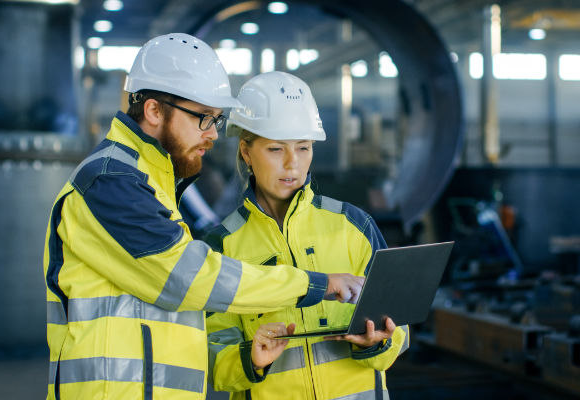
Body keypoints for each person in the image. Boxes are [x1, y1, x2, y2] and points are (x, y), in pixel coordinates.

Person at [42, 33, 364, 400]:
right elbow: (189, 278)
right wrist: (312, 284)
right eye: (203, 118)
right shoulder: (110, 181)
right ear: (153, 111)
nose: (213, 134)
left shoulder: (151, 181)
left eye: (216, 119)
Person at [206, 71, 410, 400]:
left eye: (303, 147)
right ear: (246, 151)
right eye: (275, 149)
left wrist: (380, 341)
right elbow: (212, 355)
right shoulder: (222, 247)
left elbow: (399, 325)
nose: (292, 164)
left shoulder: (354, 226)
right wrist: (251, 360)